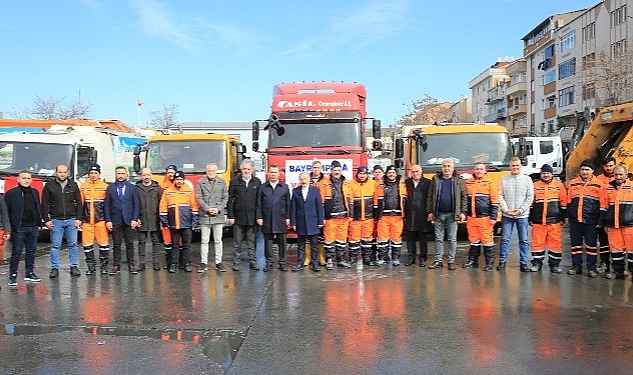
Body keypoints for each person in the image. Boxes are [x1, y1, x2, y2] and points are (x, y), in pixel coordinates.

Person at [566, 159, 607, 277]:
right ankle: (576, 266)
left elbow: (603, 204)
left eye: (587, 169)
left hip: (591, 220)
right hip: (575, 220)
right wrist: (568, 216)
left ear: (592, 171)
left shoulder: (599, 184)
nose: (584, 172)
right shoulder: (573, 183)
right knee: (575, 245)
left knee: (591, 246)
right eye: (582, 169)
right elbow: (569, 202)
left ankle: (591, 268)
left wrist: (600, 220)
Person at [42, 164, 83, 278]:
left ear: (68, 173)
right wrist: (46, 219)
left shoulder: (73, 185)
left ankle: (73, 266)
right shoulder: (49, 186)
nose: (62, 174)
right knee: (55, 245)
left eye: (64, 172)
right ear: (56, 172)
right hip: (56, 220)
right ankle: (54, 268)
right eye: (60, 172)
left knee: (73, 244)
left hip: (71, 219)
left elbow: (79, 203)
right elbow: (44, 203)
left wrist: (79, 218)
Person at [426, 158, 467, 270]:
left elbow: (464, 197)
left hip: (452, 215)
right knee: (438, 239)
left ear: (453, 168)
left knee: (452, 239)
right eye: (444, 166)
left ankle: (451, 261)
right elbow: (430, 196)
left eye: (449, 166)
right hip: (438, 214)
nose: (446, 168)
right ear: (441, 168)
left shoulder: (458, 180)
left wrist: (463, 212)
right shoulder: (435, 180)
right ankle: (438, 260)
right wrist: (430, 211)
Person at [528, 164, 567, 274]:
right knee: (537, 244)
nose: (546, 175)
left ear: (552, 174)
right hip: (538, 221)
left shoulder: (559, 186)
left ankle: (554, 265)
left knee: (555, 244)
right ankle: (536, 263)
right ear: (541, 174)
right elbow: (531, 204)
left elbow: (563, 203)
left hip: (554, 221)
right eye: (544, 173)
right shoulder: (535, 185)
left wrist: (563, 217)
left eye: (548, 173)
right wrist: (530, 218)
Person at [498, 156, 534, 272]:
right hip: (507, 215)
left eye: (517, 165)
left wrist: (521, 210)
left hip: (522, 216)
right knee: (505, 239)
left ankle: (523, 262)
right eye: (513, 165)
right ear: (510, 166)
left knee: (523, 240)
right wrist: (506, 210)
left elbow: (530, 197)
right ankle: (502, 261)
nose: (515, 167)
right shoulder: (503, 179)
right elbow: (500, 196)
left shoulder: (527, 179)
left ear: (521, 166)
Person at [5, 171, 40, 287]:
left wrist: (39, 223)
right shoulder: (11, 193)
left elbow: (37, 208)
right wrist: (9, 227)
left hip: (33, 226)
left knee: (31, 251)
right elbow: (6, 211)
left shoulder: (35, 192)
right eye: (24, 178)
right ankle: (12, 275)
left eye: (28, 178)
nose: (26, 180)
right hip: (19, 227)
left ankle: (29, 273)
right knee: (16, 252)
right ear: (18, 180)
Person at [160, 171, 199, 273]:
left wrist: (194, 223)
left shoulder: (189, 191)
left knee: (186, 245)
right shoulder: (168, 191)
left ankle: (187, 264)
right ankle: (174, 264)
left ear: (183, 180)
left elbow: (194, 207)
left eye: (181, 179)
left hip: (187, 224)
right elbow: (163, 208)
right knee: (175, 245)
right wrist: (165, 223)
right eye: (177, 179)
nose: (179, 181)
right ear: (175, 180)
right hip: (173, 224)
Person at [463, 162, 499, 271]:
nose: (479, 171)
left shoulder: (490, 183)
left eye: (481, 169)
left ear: (485, 171)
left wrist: (493, 217)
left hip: (485, 218)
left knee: (487, 241)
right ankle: (472, 261)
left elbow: (495, 201)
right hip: (471, 218)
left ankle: (489, 263)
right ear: (474, 170)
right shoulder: (468, 183)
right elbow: (464, 200)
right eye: (477, 169)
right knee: (474, 240)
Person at [104, 166, 141, 275]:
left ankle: (131, 265)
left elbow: (136, 205)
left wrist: (134, 219)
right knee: (116, 244)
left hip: (129, 220)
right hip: (115, 220)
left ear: (126, 175)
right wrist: (108, 220)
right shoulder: (110, 188)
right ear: (115, 175)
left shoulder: (132, 188)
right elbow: (107, 206)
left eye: (122, 174)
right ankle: (116, 265)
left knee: (129, 243)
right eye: (118, 173)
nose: (120, 176)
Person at [228, 159, 262, 271]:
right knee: (237, 242)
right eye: (244, 169)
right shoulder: (234, 181)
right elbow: (230, 200)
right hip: (238, 217)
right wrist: (231, 216)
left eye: (248, 169)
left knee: (251, 242)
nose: (246, 171)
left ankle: (253, 262)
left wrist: (258, 216)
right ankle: (236, 263)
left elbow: (259, 201)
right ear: (241, 169)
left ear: (252, 170)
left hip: (252, 218)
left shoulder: (257, 182)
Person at [256, 164, 291, 272]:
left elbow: (288, 204)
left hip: (280, 218)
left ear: (279, 173)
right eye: (271, 172)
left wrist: (288, 217)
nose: (273, 174)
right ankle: (269, 264)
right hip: (267, 218)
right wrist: (259, 216)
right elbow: (259, 204)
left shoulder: (284, 187)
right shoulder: (263, 187)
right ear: (268, 173)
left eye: (275, 172)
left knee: (282, 243)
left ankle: (282, 263)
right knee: (268, 243)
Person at [601, 165, 633, 280]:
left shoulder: (632, 186)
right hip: (613, 225)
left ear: (626, 175)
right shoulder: (608, 188)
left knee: (632, 250)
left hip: (630, 225)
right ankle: (618, 271)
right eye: (616, 174)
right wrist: (603, 223)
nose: (618, 177)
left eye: (621, 174)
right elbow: (604, 206)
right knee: (616, 250)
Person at [196, 163, 228, 273]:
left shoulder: (222, 182)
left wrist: (218, 209)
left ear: (216, 171)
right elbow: (199, 198)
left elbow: (225, 198)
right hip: (205, 215)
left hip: (218, 215)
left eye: (213, 171)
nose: (211, 173)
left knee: (218, 240)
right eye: (209, 171)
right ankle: (203, 263)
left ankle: (219, 262)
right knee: (204, 240)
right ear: (206, 171)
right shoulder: (200, 182)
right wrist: (208, 209)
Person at [79, 164, 110, 275]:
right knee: (87, 245)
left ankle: (104, 267)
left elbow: (108, 205)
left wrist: (108, 220)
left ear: (99, 174)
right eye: (91, 173)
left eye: (95, 173)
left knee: (104, 245)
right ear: (88, 174)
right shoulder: (83, 186)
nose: (93, 175)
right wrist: (80, 219)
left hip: (100, 221)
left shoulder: (105, 187)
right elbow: (80, 204)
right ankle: (91, 267)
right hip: (87, 221)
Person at [290, 172, 325, 272]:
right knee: (301, 245)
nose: (303, 180)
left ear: (309, 179)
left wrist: (320, 221)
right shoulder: (296, 191)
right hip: (300, 222)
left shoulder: (315, 191)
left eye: (305, 178)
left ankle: (315, 263)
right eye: (301, 179)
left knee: (314, 244)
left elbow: (319, 206)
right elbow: (293, 208)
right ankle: (300, 263)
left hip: (313, 221)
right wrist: (294, 223)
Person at [321, 160, 352, 270]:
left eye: (338, 170)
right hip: (331, 217)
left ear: (341, 170)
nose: (337, 172)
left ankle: (341, 260)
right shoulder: (324, 182)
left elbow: (350, 199)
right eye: (334, 170)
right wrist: (323, 217)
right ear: (331, 170)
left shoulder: (347, 182)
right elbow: (321, 201)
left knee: (342, 240)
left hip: (343, 216)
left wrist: (351, 214)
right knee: (329, 240)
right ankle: (329, 260)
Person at [375, 165, 407, 266]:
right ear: (386, 174)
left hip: (397, 216)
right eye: (389, 173)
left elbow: (405, 200)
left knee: (396, 239)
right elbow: (376, 201)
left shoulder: (402, 184)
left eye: (393, 173)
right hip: (384, 216)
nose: (391, 174)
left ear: (396, 174)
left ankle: (396, 258)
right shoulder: (380, 184)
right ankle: (382, 257)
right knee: (382, 238)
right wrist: (377, 216)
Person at [348, 166, 377, 268]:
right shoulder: (351, 184)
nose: (362, 176)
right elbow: (349, 200)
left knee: (367, 240)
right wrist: (350, 215)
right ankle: (353, 258)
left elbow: (376, 200)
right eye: (360, 173)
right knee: (353, 239)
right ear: (357, 174)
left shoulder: (373, 184)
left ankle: (367, 259)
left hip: (368, 218)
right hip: (355, 218)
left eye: (364, 174)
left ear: (367, 174)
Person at [403, 164, 431, 267]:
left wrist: (430, 212)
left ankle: (423, 258)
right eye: (413, 172)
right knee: (410, 238)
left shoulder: (428, 183)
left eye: (417, 171)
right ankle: (411, 258)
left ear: (421, 172)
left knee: (423, 238)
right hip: (410, 214)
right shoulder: (407, 182)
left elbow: (430, 198)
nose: (415, 174)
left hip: (423, 214)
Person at [136, 167, 162, 271]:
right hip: (141, 220)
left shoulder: (157, 188)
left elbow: (162, 204)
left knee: (155, 242)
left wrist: (161, 219)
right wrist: (135, 217)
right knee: (141, 242)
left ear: (151, 175)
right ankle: (141, 263)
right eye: (144, 175)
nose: (146, 177)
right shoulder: (136, 188)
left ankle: (156, 262)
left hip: (154, 219)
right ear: (141, 176)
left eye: (148, 175)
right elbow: (134, 204)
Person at [596, 157, 616, 274]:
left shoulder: (621, 178)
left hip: (617, 214)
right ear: (603, 167)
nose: (609, 168)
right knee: (603, 241)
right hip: (603, 213)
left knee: (617, 242)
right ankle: (604, 263)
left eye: (611, 166)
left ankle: (617, 265)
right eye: (606, 166)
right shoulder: (599, 180)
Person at [305, 159, 326, 266]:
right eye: (314, 168)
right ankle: (308, 258)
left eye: (318, 168)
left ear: (321, 169)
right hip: (310, 211)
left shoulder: (326, 180)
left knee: (321, 235)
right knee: (309, 236)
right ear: (311, 169)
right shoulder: (307, 180)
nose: (316, 169)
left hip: (322, 209)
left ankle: (321, 258)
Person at [159, 164, 177, 269]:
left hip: (177, 218)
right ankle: (169, 262)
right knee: (167, 240)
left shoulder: (181, 184)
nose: (170, 174)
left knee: (178, 241)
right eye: (169, 173)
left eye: (172, 172)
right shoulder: (162, 186)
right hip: (165, 218)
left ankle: (179, 261)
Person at [369, 165, 385, 266]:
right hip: (371, 211)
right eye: (376, 172)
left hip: (381, 211)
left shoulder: (384, 183)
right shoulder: (370, 183)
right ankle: (372, 253)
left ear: (382, 173)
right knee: (372, 234)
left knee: (382, 235)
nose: (377, 174)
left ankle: (383, 255)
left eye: (379, 172)